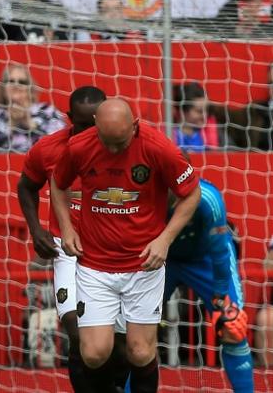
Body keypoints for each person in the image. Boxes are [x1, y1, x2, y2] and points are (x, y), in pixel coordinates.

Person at [50, 98, 201, 392]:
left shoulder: (158, 146)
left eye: (121, 142)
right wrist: (67, 228)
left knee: (140, 351)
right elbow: (58, 183)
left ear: (134, 125)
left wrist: (164, 239)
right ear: (95, 124)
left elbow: (191, 193)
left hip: (144, 264)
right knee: (93, 353)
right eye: (108, 142)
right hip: (95, 264)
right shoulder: (79, 147)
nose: (115, 150)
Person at [18, 86, 129, 392]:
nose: (91, 133)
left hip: (117, 254)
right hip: (70, 252)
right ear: (69, 119)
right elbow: (26, 186)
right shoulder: (50, 149)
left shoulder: (125, 146)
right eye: (83, 125)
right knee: (80, 335)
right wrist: (36, 229)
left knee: (120, 347)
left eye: (97, 125)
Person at [165, 174, 253, 392]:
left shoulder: (208, 198)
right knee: (133, 329)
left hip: (206, 259)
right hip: (161, 260)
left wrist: (222, 297)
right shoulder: (144, 194)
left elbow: (220, 251)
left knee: (234, 325)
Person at [0, 63, 66, 153]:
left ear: (30, 89)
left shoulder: (48, 111)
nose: (16, 85)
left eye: (22, 82)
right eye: (11, 81)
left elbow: (59, 144)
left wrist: (30, 125)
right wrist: (10, 126)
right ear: (3, 89)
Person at [75, 0, 144, 42]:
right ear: (99, 14)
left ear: (123, 13)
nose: (113, 15)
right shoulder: (87, 36)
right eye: (107, 10)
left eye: (117, 9)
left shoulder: (135, 35)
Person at [173, 82, 220, 151]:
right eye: (199, 111)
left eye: (207, 110)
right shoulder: (169, 135)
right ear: (182, 110)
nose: (205, 115)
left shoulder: (213, 134)